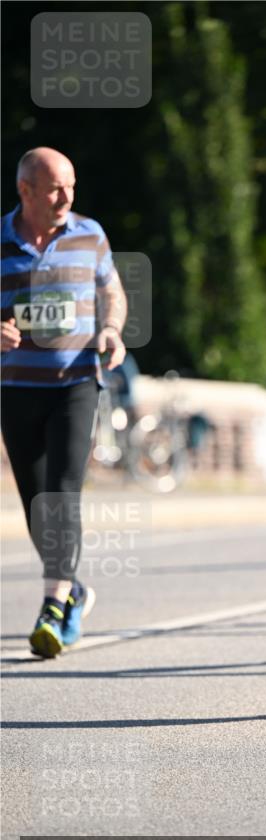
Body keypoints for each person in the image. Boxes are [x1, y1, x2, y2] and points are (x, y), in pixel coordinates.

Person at [1, 147, 126, 656]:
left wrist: (113, 331)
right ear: (25, 190)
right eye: (54, 188)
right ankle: (73, 587)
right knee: (35, 502)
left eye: (71, 186)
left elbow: (112, 292)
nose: (66, 197)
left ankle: (53, 603)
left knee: (63, 490)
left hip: (76, 381)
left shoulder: (89, 233)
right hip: (17, 387)